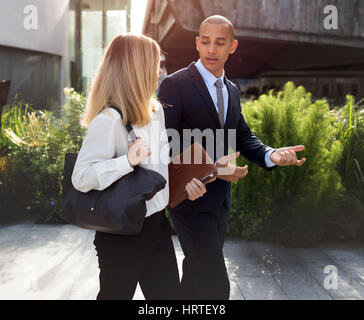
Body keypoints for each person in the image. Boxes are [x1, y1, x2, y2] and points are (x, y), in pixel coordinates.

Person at [158, 15, 307, 300]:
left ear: (233, 46)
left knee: (195, 276)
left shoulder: (232, 90)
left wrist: (271, 155)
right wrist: (213, 169)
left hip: (220, 201)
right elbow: (166, 144)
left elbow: (242, 134)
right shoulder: (174, 85)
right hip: (190, 200)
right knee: (216, 286)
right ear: (197, 43)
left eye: (220, 43)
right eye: (205, 41)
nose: (211, 49)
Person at [71, 34, 208, 300]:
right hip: (120, 233)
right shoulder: (109, 119)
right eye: (154, 63)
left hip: (156, 225)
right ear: (136, 68)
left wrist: (200, 177)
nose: (159, 71)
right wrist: (126, 161)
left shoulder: (155, 111)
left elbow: (158, 170)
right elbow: (81, 177)